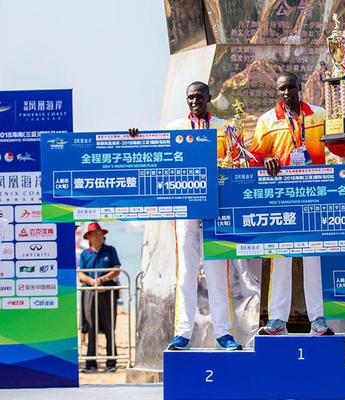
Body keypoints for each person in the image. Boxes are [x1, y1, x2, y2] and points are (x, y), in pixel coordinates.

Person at [131, 81, 251, 351]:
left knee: (218, 269)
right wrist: (137, 140)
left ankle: (224, 333)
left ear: (209, 98)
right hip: (185, 209)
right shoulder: (175, 128)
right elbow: (156, 156)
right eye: (190, 98)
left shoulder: (224, 128)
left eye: (199, 97)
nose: (194, 101)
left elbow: (240, 163)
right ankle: (183, 332)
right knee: (185, 271)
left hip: (216, 208)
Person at [249, 71, 345, 336]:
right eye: (281, 89)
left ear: (300, 88)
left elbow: (341, 150)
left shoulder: (319, 116)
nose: (287, 93)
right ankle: (277, 319)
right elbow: (253, 158)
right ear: (277, 91)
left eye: (291, 88)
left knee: (313, 258)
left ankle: (318, 319)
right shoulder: (267, 120)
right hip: (281, 199)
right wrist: (265, 161)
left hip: (313, 197)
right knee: (280, 259)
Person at [78, 222, 121, 373]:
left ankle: (111, 362)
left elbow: (116, 270)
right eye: (95, 234)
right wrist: (92, 282)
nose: (99, 236)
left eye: (100, 233)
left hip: (107, 293)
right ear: (89, 237)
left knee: (110, 328)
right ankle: (91, 363)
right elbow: (80, 273)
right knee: (91, 328)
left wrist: (102, 280)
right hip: (90, 294)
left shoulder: (110, 250)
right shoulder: (85, 254)